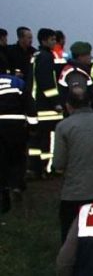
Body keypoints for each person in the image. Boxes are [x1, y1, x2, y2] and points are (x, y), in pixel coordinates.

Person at [52, 86, 93, 242]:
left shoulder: (64, 127)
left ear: (68, 105)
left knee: (71, 236)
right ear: (90, 102)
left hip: (75, 192)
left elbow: (59, 163)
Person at [31, 28, 63, 176]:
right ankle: (49, 168)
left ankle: (36, 167)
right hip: (47, 107)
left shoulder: (36, 56)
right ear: (44, 40)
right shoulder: (46, 57)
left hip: (36, 104)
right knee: (49, 139)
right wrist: (56, 102)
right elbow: (47, 82)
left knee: (37, 140)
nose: (54, 42)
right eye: (52, 40)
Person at [0, 73, 27, 213]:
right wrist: (32, 125)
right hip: (16, 123)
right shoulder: (17, 82)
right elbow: (28, 102)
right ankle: (16, 185)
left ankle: (3, 187)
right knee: (17, 156)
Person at [58, 41, 93, 113]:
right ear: (80, 57)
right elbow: (79, 98)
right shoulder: (76, 73)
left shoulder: (73, 69)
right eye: (88, 54)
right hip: (82, 116)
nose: (90, 57)